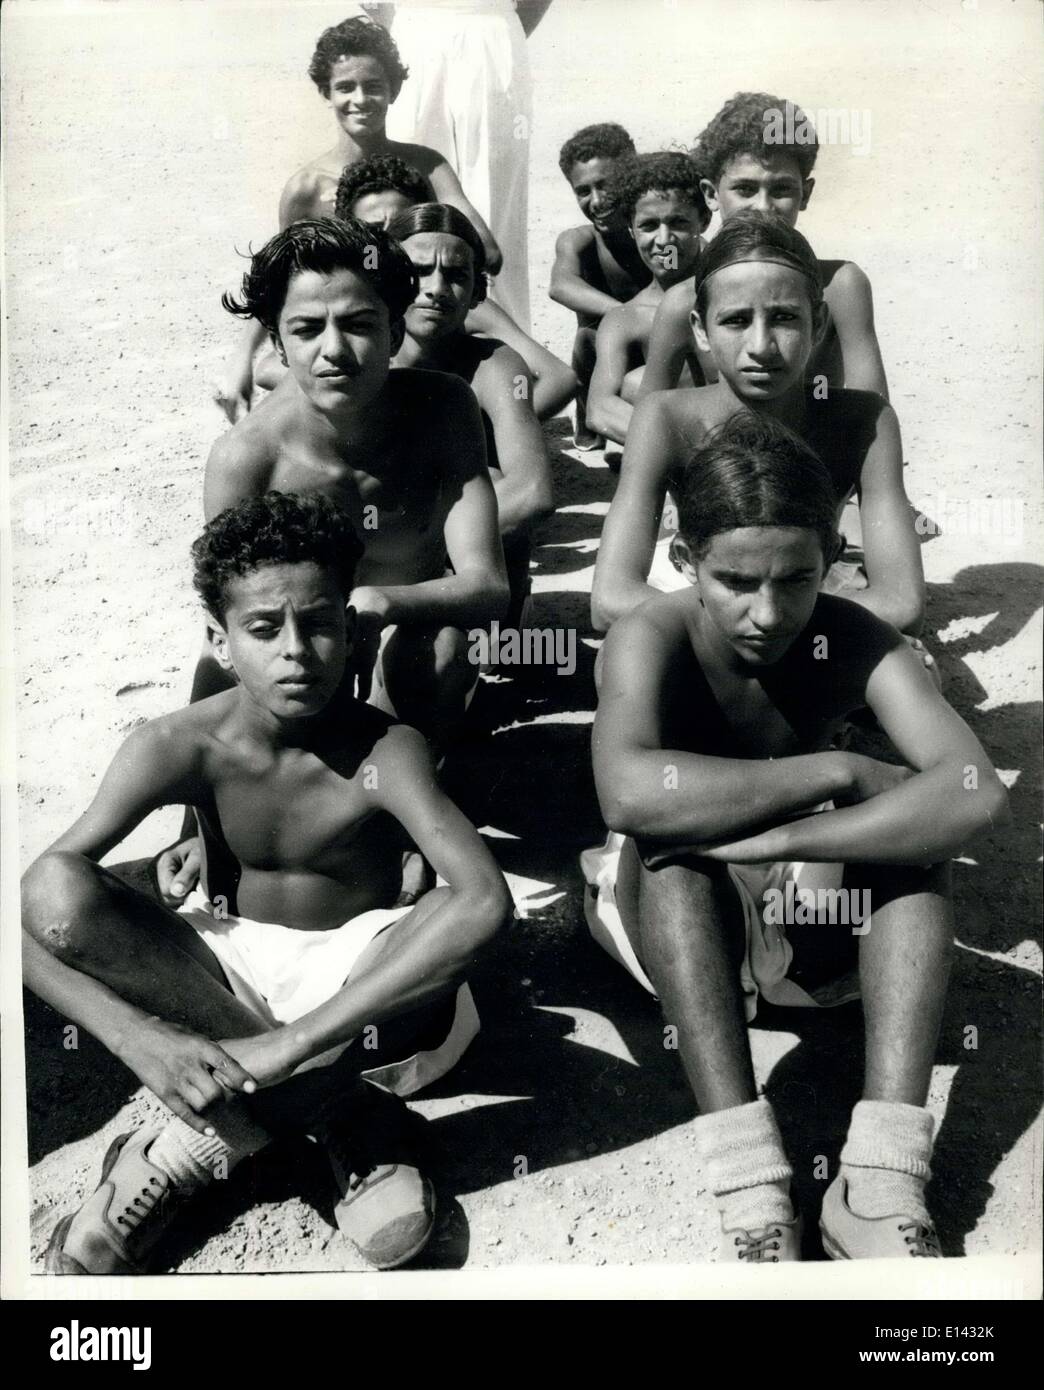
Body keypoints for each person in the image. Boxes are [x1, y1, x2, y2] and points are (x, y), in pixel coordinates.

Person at [23, 491, 514, 1275]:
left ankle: (191, 1143)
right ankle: (345, 1119)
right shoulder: (174, 745)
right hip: (226, 980)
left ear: (350, 631)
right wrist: (136, 1039)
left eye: (319, 623)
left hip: (360, 988)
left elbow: (487, 902)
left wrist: (291, 1046)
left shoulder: (385, 748)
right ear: (218, 640)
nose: (297, 651)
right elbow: (32, 910)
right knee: (52, 890)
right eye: (263, 629)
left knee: (455, 910)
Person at [584, 413, 1009, 1261]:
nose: (767, 612)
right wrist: (835, 774)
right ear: (685, 556)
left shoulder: (853, 638)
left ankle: (880, 1182)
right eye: (736, 579)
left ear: (831, 560)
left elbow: (972, 792)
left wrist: (777, 841)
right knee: (672, 858)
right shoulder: (653, 635)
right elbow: (631, 794)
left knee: (916, 860)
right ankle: (752, 1186)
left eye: (797, 580)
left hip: (811, 918)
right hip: (678, 928)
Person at [205, 216, 509, 744]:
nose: (335, 350)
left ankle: (415, 776)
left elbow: (488, 586)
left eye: (359, 324)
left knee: (443, 653)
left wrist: (383, 602)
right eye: (306, 329)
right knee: (216, 688)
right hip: (300, 655)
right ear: (277, 345)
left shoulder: (443, 408)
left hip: (402, 639)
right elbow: (233, 623)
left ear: (394, 333)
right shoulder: (246, 460)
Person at [591, 211, 924, 639]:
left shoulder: (862, 422)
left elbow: (903, 602)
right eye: (736, 320)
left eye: (785, 318)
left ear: (818, 324)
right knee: (622, 660)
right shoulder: (664, 416)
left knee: (911, 669)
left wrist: (772, 623)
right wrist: (743, 621)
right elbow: (610, 598)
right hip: (699, 588)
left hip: (808, 589)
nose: (761, 347)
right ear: (701, 329)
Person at [214, 15, 500, 423]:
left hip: (416, 316)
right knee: (277, 373)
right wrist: (241, 357)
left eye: (374, 86)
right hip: (353, 322)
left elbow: (486, 251)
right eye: (345, 87)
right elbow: (283, 283)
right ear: (325, 93)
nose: (361, 99)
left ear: (394, 91)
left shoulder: (425, 166)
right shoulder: (307, 189)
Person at [638, 93, 889, 402]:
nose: (763, 207)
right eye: (745, 189)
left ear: (805, 194)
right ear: (711, 194)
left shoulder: (839, 286)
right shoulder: (683, 302)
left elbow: (871, 411)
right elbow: (651, 416)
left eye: (781, 189)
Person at [389, 201, 554, 623]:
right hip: (392, 548)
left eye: (456, 275)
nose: (437, 288)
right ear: (388, 280)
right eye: (419, 271)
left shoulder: (494, 365)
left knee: (490, 478)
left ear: (478, 293)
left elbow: (532, 491)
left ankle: (508, 623)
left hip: (466, 560)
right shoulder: (364, 361)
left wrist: (419, 553)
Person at [332, 155, 576, 420]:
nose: (389, 240)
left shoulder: (456, 302)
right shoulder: (341, 297)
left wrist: (486, 434)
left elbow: (559, 377)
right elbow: (283, 363)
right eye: (374, 230)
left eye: (405, 221)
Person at [384, 0, 554, 333]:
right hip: (412, 32)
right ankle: (400, 346)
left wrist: (496, 26)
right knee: (404, 191)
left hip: (490, 30)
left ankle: (504, 352)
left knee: (495, 214)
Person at [585, 152, 709, 447]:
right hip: (689, 450)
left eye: (678, 222)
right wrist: (682, 449)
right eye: (649, 226)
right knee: (633, 386)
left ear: (703, 221)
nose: (664, 240)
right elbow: (600, 408)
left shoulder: (728, 287)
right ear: (630, 229)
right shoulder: (628, 317)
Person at [549, 122, 650, 449]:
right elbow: (560, 286)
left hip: (652, 348)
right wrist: (629, 316)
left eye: (606, 185)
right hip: (599, 359)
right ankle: (587, 412)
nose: (596, 200)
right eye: (583, 191)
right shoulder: (580, 240)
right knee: (588, 336)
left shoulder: (653, 234)